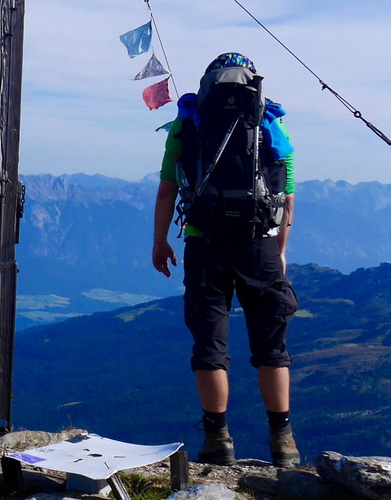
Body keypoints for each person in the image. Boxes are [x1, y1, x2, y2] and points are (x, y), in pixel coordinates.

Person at [151, 52, 299, 468]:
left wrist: (161, 242)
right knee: (272, 348)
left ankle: (217, 440)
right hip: (261, 246)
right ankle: (282, 440)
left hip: (206, 243)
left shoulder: (186, 125)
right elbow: (286, 198)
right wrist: (281, 252)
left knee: (210, 346)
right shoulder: (270, 123)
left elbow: (167, 190)